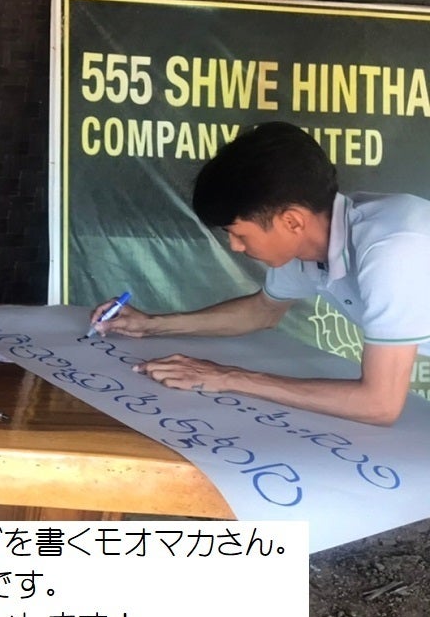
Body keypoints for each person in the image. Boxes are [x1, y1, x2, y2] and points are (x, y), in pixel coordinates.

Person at [88, 120, 430, 426]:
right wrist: (151, 325)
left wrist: (227, 377)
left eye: (239, 234)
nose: (235, 246)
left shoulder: (393, 251)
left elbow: (379, 404)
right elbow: (262, 311)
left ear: (291, 221)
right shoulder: (312, 243)